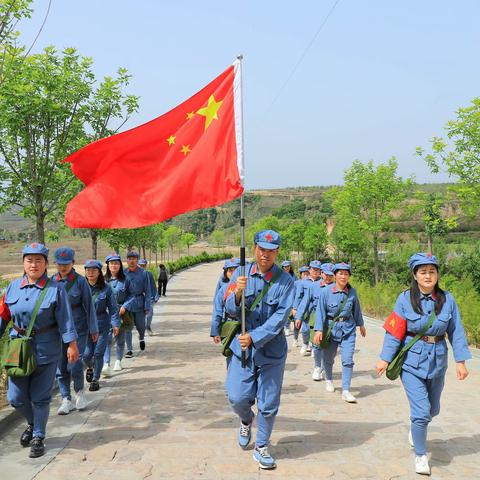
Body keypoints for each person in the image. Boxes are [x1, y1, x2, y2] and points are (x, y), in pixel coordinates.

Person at [376, 253, 471, 476]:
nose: (428, 276)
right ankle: (420, 455)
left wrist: (461, 362)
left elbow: (456, 331)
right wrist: (385, 358)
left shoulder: (448, 300)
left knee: (433, 409)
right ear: (415, 275)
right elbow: (394, 331)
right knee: (421, 412)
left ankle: (416, 427)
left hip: (437, 360)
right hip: (411, 362)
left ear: (437, 274)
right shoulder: (404, 299)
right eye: (423, 272)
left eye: (432, 271)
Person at [0, 243, 79, 458]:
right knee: (15, 397)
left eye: (38, 260)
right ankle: (34, 422)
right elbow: (3, 316)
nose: (33, 264)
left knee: (40, 397)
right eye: (29, 260)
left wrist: (71, 345)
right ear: (23, 263)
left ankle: (38, 436)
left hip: (46, 349)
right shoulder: (12, 288)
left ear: (45, 264)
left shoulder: (56, 289)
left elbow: (66, 320)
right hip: (18, 352)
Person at [224, 230, 294, 470]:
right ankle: (246, 419)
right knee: (236, 396)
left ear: (277, 252)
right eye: (261, 249)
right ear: (254, 248)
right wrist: (237, 295)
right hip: (241, 350)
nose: (265, 254)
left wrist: (254, 336)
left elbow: (279, 319)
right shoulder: (240, 275)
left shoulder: (286, 282)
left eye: (271, 250)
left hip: (271, 351)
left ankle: (262, 446)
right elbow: (230, 311)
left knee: (268, 403)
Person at [52, 247, 98, 415]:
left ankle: (79, 393)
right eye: (59, 264)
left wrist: (93, 328)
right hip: (58, 330)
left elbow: (89, 305)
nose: (63, 267)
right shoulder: (52, 281)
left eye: (66, 264)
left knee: (75, 363)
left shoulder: (80, 281)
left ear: (73, 263)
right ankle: (66, 398)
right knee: (61, 365)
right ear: (55, 263)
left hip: (79, 328)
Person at [313, 262, 366, 403]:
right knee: (329, 358)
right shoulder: (325, 292)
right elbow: (320, 312)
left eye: (346, 273)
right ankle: (329, 379)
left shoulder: (352, 292)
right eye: (340, 273)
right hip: (330, 329)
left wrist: (361, 325)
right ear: (335, 275)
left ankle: (346, 390)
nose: (343, 276)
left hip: (348, 329)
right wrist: (318, 330)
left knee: (348, 359)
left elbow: (356, 310)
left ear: (349, 276)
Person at [83, 259, 120, 391]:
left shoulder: (106, 288)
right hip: (85, 326)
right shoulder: (81, 286)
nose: (90, 272)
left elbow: (113, 308)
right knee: (86, 354)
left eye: (94, 270)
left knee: (98, 353)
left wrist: (115, 324)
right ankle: (90, 368)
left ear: (99, 272)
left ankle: (95, 379)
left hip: (101, 325)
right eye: (88, 270)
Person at [103, 254, 132, 373]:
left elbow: (132, 295)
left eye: (116, 263)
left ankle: (118, 361)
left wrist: (125, 306)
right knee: (106, 339)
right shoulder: (103, 280)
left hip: (121, 312)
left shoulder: (126, 279)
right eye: (111, 263)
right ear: (108, 266)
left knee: (120, 337)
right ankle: (106, 363)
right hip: (105, 313)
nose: (114, 266)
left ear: (120, 265)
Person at [310, 262, 335, 381]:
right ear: (321, 273)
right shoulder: (314, 286)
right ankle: (317, 367)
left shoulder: (337, 287)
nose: (329, 277)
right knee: (317, 345)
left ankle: (326, 367)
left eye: (331, 275)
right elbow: (306, 301)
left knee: (328, 346)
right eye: (326, 274)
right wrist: (298, 314)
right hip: (317, 317)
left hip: (331, 321)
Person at [124, 251, 151, 357]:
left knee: (141, 326)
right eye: (129, 258)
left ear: (137, 260)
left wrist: (147, 306)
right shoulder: (123, 273)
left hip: (140, 302)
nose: (131, 261)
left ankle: (141, 338)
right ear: (127, 260)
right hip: (127, 304)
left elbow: (147, 291)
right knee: (127, 328)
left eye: (134, 258)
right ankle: (129, 349)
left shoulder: (143, 273)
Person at [294, 260, 322, 356]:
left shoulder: (322, 282)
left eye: (318, 270)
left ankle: (314, 346)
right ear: (309, 270)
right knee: (305, 329)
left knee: (316, 329)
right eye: (314, 269)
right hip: (306, 309)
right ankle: (305, 343)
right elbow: (299, 296)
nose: (315, 272)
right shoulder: (303, 282)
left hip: (317, 309)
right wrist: (295, 309)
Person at [210, 258, 241, 347]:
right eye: (230, 270)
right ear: (226, 273)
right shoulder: (223, 290)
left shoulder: (250, 286)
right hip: (230, 328)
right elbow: (217, 311)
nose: (233, 273)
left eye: (236, 270)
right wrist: (215, 331)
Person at [290, 265, 310, 347]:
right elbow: (293, 295)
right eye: (303, 274)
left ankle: (307, 343)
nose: (305, 275)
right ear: (300, 274)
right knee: (297, 324)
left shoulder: (311, 283)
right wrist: (293, 307)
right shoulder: (296, 283)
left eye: (307, 273)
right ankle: (295, 338)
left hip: (308, 307)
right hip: (298, 306)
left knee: (307, 325)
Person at [138, 259, 158, 335]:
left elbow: (153, 286)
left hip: (148, 298)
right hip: (138, 298)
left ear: (146, 266)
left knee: (150, 314)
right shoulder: (134, 274)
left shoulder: (149, 274)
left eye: (143, 265)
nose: (142, 267)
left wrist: (155, 296)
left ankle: (148, 327)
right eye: (140, 265)